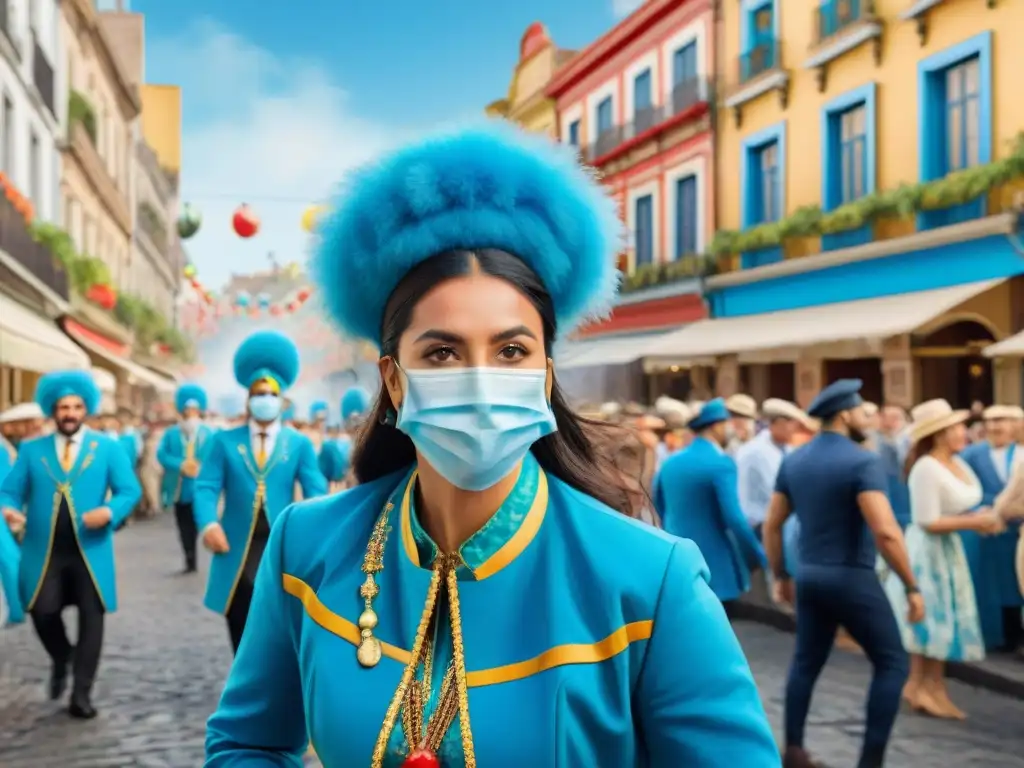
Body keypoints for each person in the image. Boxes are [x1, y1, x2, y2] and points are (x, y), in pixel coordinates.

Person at [204, 124, 778, 767]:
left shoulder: (650, 578)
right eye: (442, 352)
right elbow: (246, 741)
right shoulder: (307, 546)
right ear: (394, 380)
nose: (480, 378)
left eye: (511, 351)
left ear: (546, 374)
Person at [763, 379, 919, 768]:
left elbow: (772, 525)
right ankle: (870, 762)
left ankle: (795, 753)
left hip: (810, 576)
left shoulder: (794, 459)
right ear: (846, 414)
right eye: (863, 411)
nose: (867, 417)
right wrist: (912, 585)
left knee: (805, 663)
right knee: (893, 663)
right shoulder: (861, 460)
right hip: (851, 575)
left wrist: (781, 575)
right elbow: (885, 530)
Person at [0, 371, 141, 718]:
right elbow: (10, 490)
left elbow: (130, 490)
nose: (70, 413)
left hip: (91, 549)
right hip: (43, 549)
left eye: (77, 406)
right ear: (53, 410)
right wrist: (10, 510)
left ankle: (82, 693)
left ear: (85, 409)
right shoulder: (33, 450)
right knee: (40, 610)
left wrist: (109, 511)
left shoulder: (106, 447)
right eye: (63, 407)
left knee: (93, 618)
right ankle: (62, 655)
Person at [193, 330, 328, 653]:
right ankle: (243, 680)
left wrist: (312, 529)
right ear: (248, 399)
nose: (264, 399)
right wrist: (209, 524)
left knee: (281, 615)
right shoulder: (224, 441)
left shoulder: (297, 443)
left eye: (270, 393)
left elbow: (315, 488)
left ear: (281, 400)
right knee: (239, 612)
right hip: (237, 543)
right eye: (258, 393)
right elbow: (207, 486)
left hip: (281, 542)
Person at [883, 399, 1002, 720]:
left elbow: (953, 507)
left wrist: (974, 515)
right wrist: (976, 522)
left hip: (948, 548)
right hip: (929, 552)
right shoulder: (926, 468)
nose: (964, 433)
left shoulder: (955, 463)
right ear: (938, 434)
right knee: (934, 619)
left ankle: (924, 685)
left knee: (943, 617)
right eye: (957, 428)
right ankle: (928, 687)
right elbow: (927, 520)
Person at [655, 398, 767, 611]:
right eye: (727, 424)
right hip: (714, 568)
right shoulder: (720, 463)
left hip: (675, 564)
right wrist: (756, 556)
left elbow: (658, 508)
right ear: (716, 426)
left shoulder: (671, 462)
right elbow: (733, 517)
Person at [960, 404, 1024, 652]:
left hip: (1016, 531)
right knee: (993, 585)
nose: (997, 427)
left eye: (1003, 421)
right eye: (992, 422)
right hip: (986, 532)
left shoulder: (1020, 453)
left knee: (1017, 583)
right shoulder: (973, 454)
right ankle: (1001, 636)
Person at [157, 384, 216, 574]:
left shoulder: (209, 434)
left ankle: (198, 552)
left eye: (194, 409)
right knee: (183, 525)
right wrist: (180, 464)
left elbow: (213, 455)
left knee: (200, 521)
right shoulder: (171, 433)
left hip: (200, 487)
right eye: (187, 409)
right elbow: (162, 455)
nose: (191, 413)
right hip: (179, 488)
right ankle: (189, 555)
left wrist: (200, 466)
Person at [736, 398, 802, 539]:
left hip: (774, 522)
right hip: (757, 526)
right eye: (793, 425)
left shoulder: (786, 449)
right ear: (779, 423)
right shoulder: (758, 451)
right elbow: (777, 490)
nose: (795, 430)